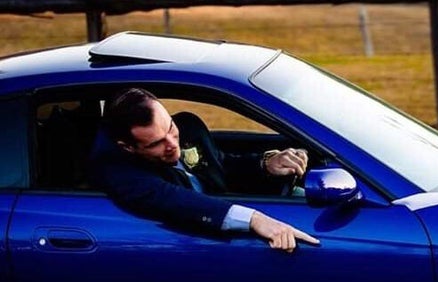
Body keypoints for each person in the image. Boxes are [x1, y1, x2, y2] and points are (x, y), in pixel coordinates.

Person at [88, 87, 319, 252]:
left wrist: (266, 165)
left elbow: (221, 166)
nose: (172, 144)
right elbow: (176, 200)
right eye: (156, 143)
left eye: (170, 127)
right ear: (128, 147)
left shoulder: (189, 127)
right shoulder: (118, 172)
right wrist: (257, 220)